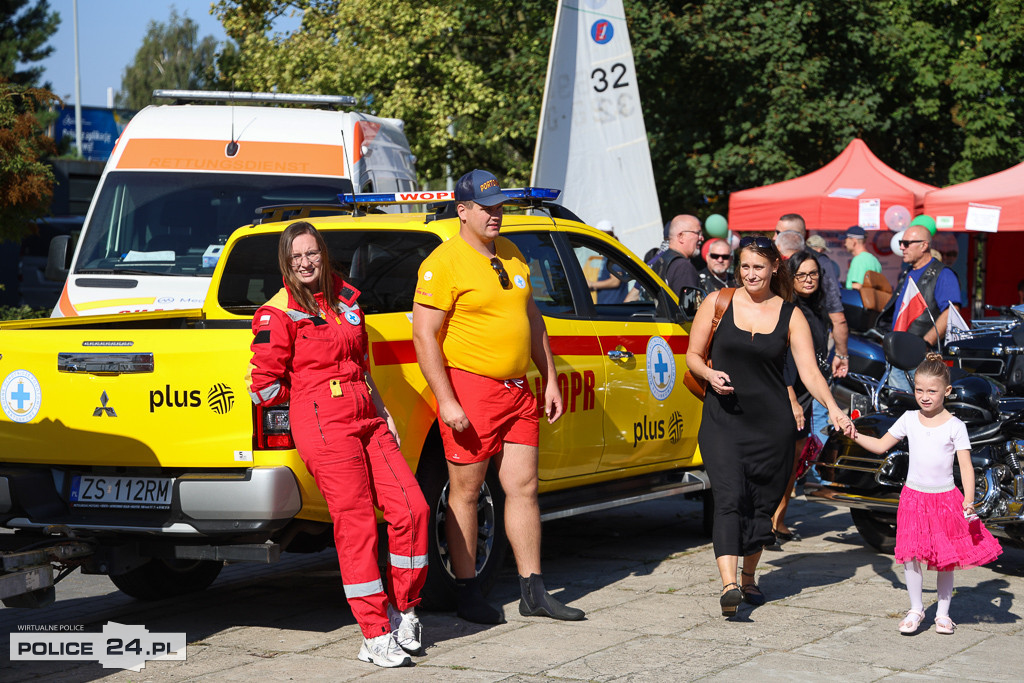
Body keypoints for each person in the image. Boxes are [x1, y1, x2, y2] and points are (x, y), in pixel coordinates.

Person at [248, 221, 429, 668]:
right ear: (286, 265)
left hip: (367, 415)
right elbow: (263, 385)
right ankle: (373, 633)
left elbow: (361, 363)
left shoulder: (347, 299)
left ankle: (403, 609)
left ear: (323, 254)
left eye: (312, 254)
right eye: (296, 258)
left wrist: (382, 410)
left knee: (412, 509)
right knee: (358, 524)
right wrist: (309, 405)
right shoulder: (278, 312)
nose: (306, 264)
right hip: (323, 422)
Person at [411, 169, 584, 625]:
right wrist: (446, 400)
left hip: (518, 390)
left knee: (524, 488)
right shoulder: (443, 263)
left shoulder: (511, 252)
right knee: (465, 493)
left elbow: (534, 321)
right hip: (471, 389)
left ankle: (533, 589)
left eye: (499, 206)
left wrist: (549, 378)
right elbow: (424, 336)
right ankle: (466, 591)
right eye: (486, 207)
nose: (495, 215)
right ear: (462, 210)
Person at [686, 235, 856, 617]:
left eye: (758, 267)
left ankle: (749, 576)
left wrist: (833, 407)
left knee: (759, 504)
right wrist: (710, 375)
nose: (750, 274)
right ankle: (729, 584)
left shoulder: (791, 314)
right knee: (728, 498)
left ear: (775, 267)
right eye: (744, 266)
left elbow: (809, 370)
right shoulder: (718, 302)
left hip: (771, 425)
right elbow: (693, 356)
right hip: (722, 419)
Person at [849, 353, 1001, 634]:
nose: (925, 396)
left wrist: (969, 499)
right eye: (919, 390)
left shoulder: (955, 425)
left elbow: (966, 467)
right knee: (911, 556)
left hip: (946, 498)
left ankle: (943, 614)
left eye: (932, 391)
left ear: (947, 391)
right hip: (913, 498)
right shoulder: (908, 419)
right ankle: (916, 609)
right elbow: (882, 445)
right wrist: (854, 434)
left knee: (946, 559)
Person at [772, 251, 832, 543]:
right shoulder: (788, 310)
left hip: (808, 393)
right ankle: (768, 523)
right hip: (789, 393)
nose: (809, 280)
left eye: (814, 274)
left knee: (794, 463)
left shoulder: (817, 309)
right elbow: (781, 359)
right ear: (790, 277)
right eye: (802, 275)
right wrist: (792, 398)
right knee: (781, 463)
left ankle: (778, 521)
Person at [776, 214, 850, 379]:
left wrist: (842, 354)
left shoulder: (820, 262)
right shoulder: (773, 262)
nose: (774, 237)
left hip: (813, 357)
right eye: (800, 274)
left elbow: (837, 316)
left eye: (778, 232)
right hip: (783, 362)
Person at [877, 224, 961, 346]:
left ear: (923, 245)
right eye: (901, 242)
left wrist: (926, 343)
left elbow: (951, 313)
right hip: (899, 349)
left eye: (906, 243)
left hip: (922, 355)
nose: (901, 247)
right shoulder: (908, 272)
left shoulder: (943, 274)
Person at [650, 214, 702, 294]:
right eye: (698, 233)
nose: (701, 238)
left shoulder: (661, 260)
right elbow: (690, 305)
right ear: (681, 236)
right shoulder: (683, 267)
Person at [587, 220, 629, 303]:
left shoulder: (613, 254)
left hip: (613, 307)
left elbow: (615, 281)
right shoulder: (609, 253)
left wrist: (592, 284)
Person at [843, 226, 882, 290]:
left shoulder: (858, 260)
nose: (845, 244)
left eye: (846, 241)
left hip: (857, 299)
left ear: (854, 241)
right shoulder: (875, 260)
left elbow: (857, 287)